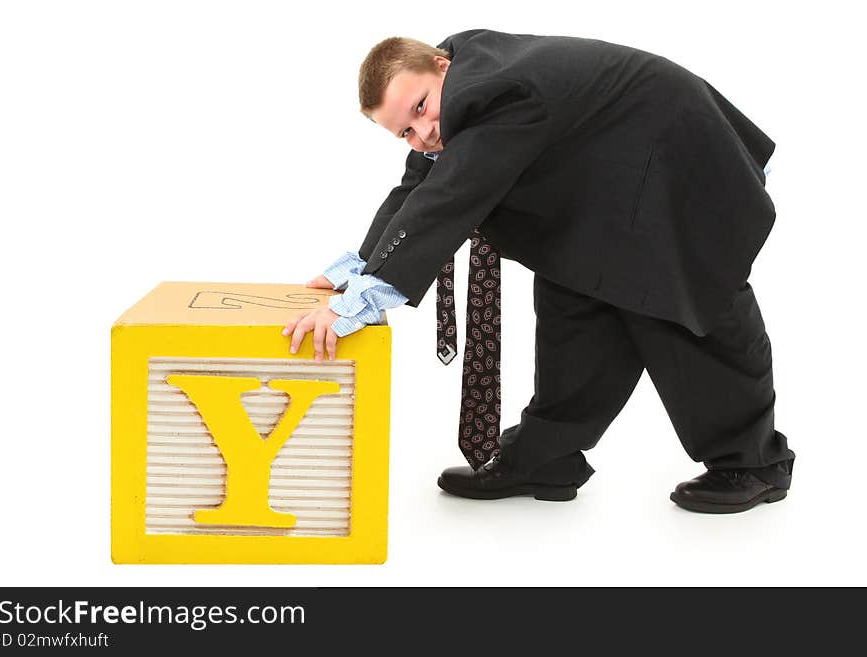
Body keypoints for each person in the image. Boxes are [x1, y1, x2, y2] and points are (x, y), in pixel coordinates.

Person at [281, 29, 795, 513]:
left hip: (673, 167)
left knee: (687, 311)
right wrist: (362, 267)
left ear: (442, 66)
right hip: (606, 183)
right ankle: (545, 459)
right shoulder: (460, 96)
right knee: (573, 306)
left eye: (420, 109)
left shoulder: (500, 93)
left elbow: (450, 197)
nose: (423, 134)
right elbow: (419, 188)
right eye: (406, 132)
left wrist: (366, 297)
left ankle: (756, 463)